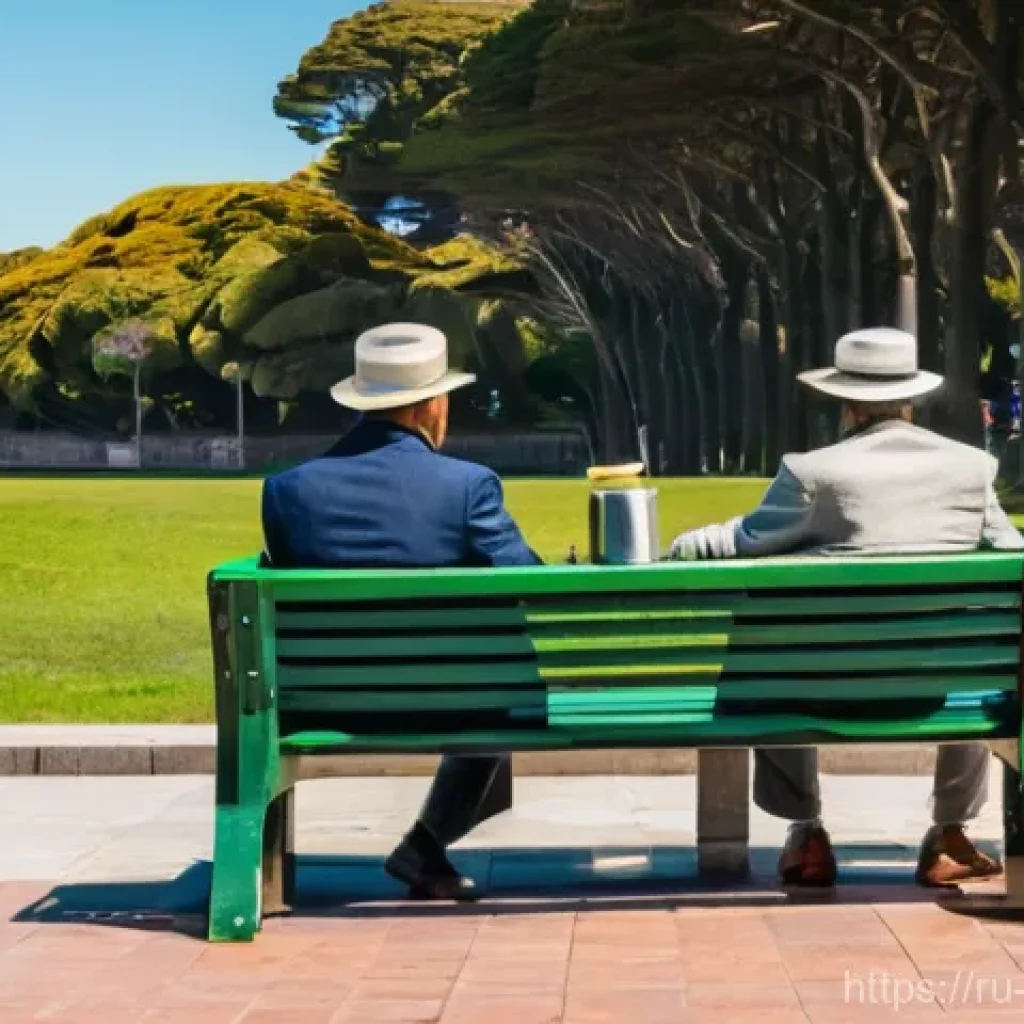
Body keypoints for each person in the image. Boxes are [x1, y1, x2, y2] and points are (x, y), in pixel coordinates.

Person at [669, 327, 1024, 889]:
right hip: (930, 688)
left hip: (827, 686)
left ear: (846, 402)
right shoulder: (969, 469)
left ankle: (806, 830)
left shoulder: (815, 473)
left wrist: (679, 544)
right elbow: (1011, 552)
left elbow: (744, 539)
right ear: (910, 396)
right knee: (981, 654)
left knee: (764, 650)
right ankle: (950, 833)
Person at [262, 322, 539, 901]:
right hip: (453, 702)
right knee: (505, 689)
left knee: (493, 683)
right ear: (429, 407)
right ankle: (426, 842)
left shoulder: (286, 492)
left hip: (322, 702)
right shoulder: (469, 486)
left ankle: (414, 851)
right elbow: (530, 581)